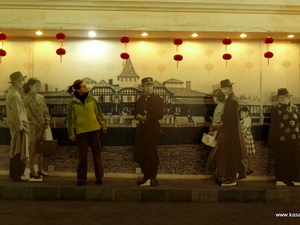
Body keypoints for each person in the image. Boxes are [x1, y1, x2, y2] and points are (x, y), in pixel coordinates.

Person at [66, 79, 107, 186]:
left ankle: (99, 177)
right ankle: (81, 179)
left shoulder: (92, 99)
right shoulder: (72, 103)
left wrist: (103, 124)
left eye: (86, 86)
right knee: (82, 156)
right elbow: (70, 119)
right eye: (83, 87)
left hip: (94, 130)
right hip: (81, 132)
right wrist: (71, 133)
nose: (86, 88)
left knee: (97, 154)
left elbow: (98, 113)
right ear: (78, 90)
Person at [211, 79, 247, 186]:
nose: (224, 91)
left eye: (226, 89)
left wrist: (220, 122)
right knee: (234, 154)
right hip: (231, 131)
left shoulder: (232, 101)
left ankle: (231, 179)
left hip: (230, 132)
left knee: (230, 155)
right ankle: (241, 174)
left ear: (230, 88)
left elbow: (230, 119)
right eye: (223, 89)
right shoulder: (230, 99)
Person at [134, 77, 164, 186]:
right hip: (142, 130)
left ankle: (153, 178)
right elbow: (136, 111)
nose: (149, 87)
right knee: (139, 154)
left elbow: (160, 114)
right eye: (147, 85)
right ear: (143, 87)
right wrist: (137, 115)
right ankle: (146, 174)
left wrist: (147, 118)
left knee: (152, 154)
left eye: (151, 85)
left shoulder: (158, 99)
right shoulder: (141, 99)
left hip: (153, 129)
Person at [268, 88, 300, 186]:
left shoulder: (295, 108)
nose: (281, 99)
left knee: (295, 158)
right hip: (282, 140)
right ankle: (281, 179)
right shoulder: (276, 109)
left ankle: (295, 178)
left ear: (288, 97)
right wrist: (273, 141)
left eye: (283, 97)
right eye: (279, 97)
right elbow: (273, 126)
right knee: (282, 159)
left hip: (295, 140)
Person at [23, 77, 51, 179]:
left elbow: (45, 110)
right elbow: (28, 114)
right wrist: (35, 123)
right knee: (32, 147)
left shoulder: (41, 98)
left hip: (42, 126)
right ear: (30, 86)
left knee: (41, 147)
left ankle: (40, 168)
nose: (38, 88)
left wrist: (47, 120)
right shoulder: (26, 99)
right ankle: (31, 169)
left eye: (39, 86)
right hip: (32, 127)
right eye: (36, 86)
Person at [6, 71, 29, 182]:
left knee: (16, 149)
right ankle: (18, 174)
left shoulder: (12, 93)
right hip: (19, 126)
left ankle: (14, 174)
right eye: (21, 81)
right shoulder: (15, 95)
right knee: (19, 150)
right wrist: (20, 126)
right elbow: (16, 112)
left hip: (15, 126)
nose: (23, 83)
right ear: (15, 83)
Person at [205, 89, 225, 176]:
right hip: (222, 130)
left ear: (216, 98)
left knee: (215, 152)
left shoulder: (219, 106)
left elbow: (216, 121)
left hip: (218, 131)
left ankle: (210, 171)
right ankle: (216, 171)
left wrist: (212, 129)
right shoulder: (224, 105)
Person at [239, 106, 256, 176]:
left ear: (247, 113)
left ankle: (250, 168)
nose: (241, 115)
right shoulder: (243, 120)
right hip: (243, 137)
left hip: (247, 137)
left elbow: (241, 127)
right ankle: (243, 168)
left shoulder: (248, 119)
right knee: (243, 153)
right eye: (240, 114)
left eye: (242, 113)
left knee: (248, 154)